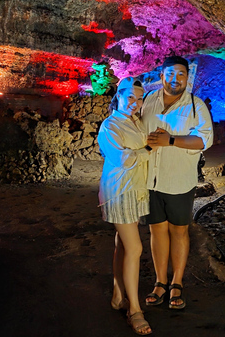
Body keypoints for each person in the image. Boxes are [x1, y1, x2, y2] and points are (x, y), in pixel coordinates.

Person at [142, 56, 213, 310]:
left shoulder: (195, 106)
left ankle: (177, 282)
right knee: (156, 230)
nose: (176, 79)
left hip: (179, 181)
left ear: (187, 78)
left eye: (181, 74)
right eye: (171, 73)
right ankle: (160, 281)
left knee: (179, 231)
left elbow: (204, 140)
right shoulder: (147, 100)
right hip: (149, 179)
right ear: (161, 76)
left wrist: (171, 140)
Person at [98, 77, 153, 335]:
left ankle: (118, 294)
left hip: (136, 190)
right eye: (130, 97)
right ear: (118, 96)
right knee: (135, 248)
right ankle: (135, 310)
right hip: (120, 191)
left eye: (140, 98)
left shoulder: (135, 122)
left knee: (122, 244)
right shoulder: (110, 126)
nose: (135, 103)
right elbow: (123, 159)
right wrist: (149, 149)